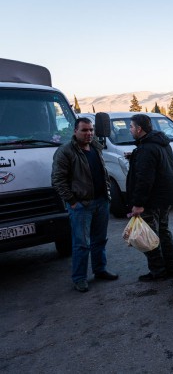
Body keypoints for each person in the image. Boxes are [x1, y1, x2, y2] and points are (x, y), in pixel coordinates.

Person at [51, 117, 118, 292]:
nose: (88, 133)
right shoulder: (65, 151)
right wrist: (72, 202)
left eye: (91, 130)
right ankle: (79, 278)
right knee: (81, 244)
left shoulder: (95, 146)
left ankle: (100, 270)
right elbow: (58, 180)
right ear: (75, 131)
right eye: (84, 130)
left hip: (102, 202)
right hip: (81, 205)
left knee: (100, 240)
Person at [126, 114, 173, 281]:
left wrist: (138, 204)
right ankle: (171, 268)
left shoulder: (147, 149)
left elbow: (144, 180)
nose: (130, 130)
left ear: (139, 129)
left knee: (149, 236)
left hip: (152, 200)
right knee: (163, 232)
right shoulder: (160, 144)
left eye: (131, 127)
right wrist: (135, 157)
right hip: (166, 198)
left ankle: (158, 271)